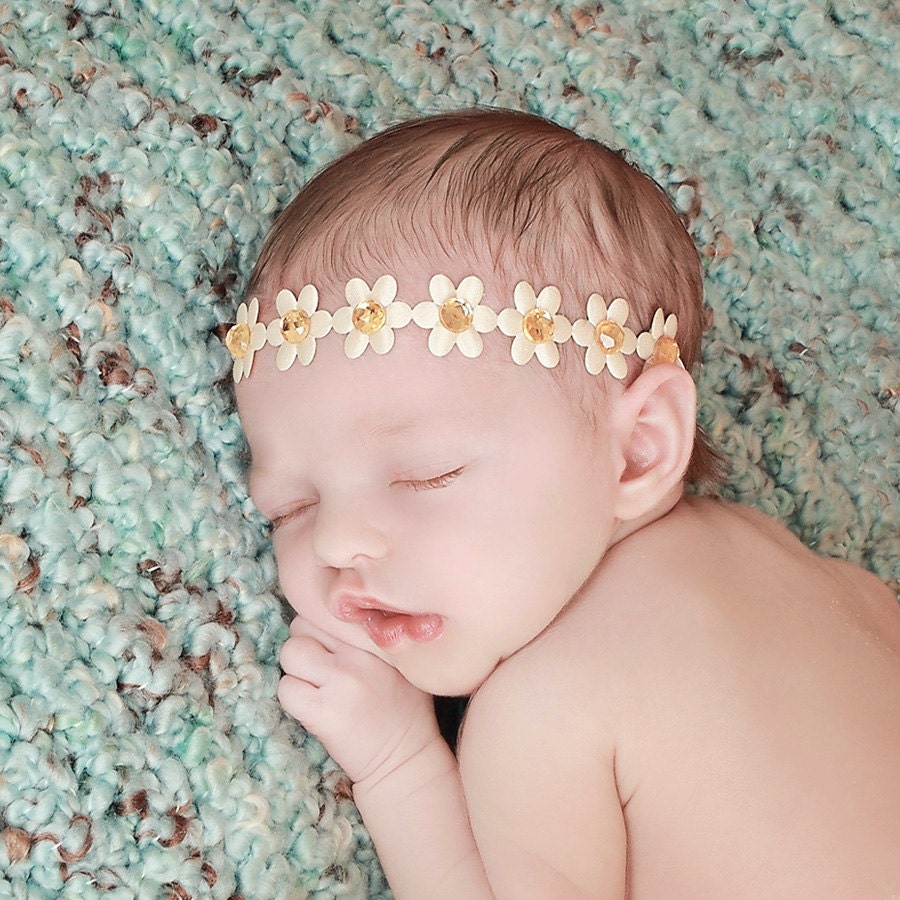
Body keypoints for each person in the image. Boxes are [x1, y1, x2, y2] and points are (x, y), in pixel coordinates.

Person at [226, 109, 900, 898]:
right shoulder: (830, 585)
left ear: (640, 447)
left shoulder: (547, 705)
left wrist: (397, 762)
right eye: (290, 507)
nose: (337, 542)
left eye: (427, 475)